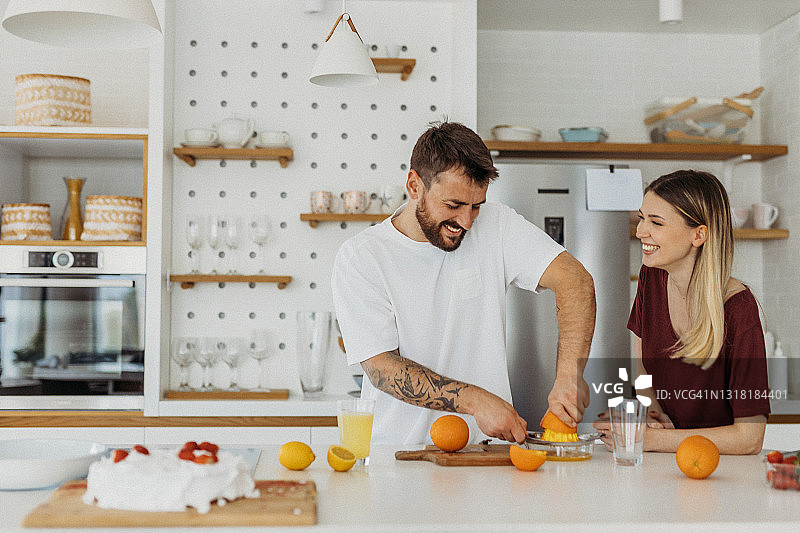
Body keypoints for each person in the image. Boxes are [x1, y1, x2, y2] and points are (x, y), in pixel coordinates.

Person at [331, 121, 596, 446]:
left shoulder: (498, 225)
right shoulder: (362, 256)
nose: (467, 222)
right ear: (414, 186)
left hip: (489, 453)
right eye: (453, 205)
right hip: (400, 455)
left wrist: (570, 375)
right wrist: (475, 401)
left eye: (476, 206)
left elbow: (575, 281)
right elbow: (381, 369)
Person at [594, 170, 769, 455]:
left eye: (656, 222)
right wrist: (653, 415)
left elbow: (750, 438)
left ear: (698, 235)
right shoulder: (651, 278)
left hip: (718, 469)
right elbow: (642, 370)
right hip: (664, 462)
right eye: (642, 218)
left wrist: (652, 440)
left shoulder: (739, 308)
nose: (640, 231)